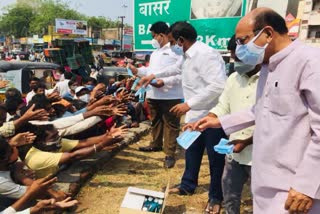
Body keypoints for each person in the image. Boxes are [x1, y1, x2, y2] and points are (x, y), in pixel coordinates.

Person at [192, 8, 320, 214]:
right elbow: (261, 109)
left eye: (243, 41)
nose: (240, 48)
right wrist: (218, 122)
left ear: (268, 33)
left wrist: (307, 184)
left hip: (296, 187)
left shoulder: (310, 62)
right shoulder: (268, 66)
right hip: (267, 181)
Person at [166, 22, 226, 213]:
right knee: (191, 152)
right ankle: (187, 185)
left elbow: (218, 86)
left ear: (181, 40)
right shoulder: (187, 56)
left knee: (216, 159)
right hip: (194, 115)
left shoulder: (205, 54)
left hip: (212, 115)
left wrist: (188, 104)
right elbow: (174, 71)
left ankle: (216, 197)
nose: (172, 47)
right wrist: (148, 75)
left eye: (173, 42)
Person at [209, 35, 259, 214]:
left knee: (260, 201)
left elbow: (268, 120)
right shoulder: (233, 79)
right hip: (233, 152)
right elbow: (223, 106)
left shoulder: (269, 80)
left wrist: (247, 141)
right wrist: (209, 117)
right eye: (233, 57)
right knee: (230, 195)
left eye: (238, 58)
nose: (235, 62)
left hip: (259, 155)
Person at [128, 21, 183, 168]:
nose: (153, 39)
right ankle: (156, 144)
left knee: (171, 124)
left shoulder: (175, 52)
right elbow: (149, 72)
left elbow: (181, 73)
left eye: (154, 36)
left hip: (170, 94)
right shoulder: (155, 53)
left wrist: (163, 82)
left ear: (161, 35)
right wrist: (137, 71)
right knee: (156, 121)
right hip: (153, 94)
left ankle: (169, 153)